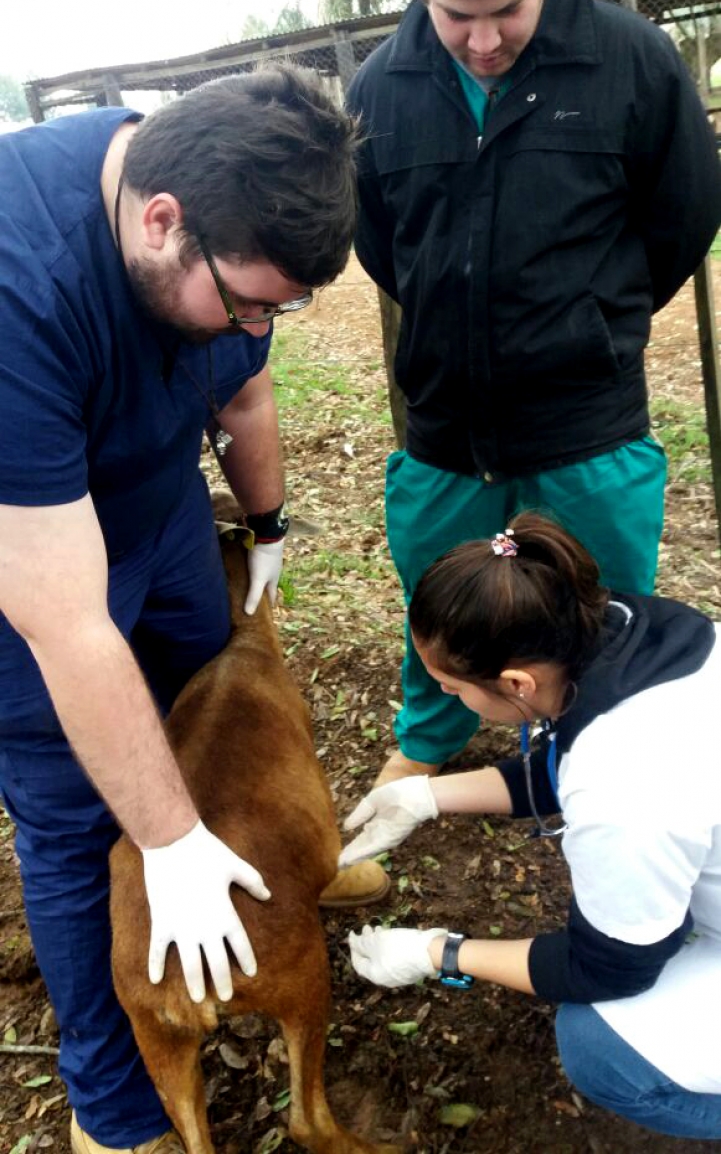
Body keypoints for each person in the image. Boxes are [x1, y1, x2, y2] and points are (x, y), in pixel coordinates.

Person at [0, 65, 387, 1154]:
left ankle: (277, 875)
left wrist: (265, 524)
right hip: (25, 550)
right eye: (253, 300)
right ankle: (114, 1110)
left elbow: (245, 390)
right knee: (80, 816)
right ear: (161, 222)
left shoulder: (223, 232)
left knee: (205, 692)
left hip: (158, 497)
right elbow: (66, 620)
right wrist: (166, 841)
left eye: (284, 305)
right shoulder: (19, 285)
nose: (262, 323)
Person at [345, 0, 721, 787]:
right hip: (442, 422)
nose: (481, 41)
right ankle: (427, 742)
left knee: (600, 607)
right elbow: (383, 246)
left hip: (583, 419)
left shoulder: (630, 60)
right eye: (453, 14)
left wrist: (594, 319)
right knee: (436, 594)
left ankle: (605, 753)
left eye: (505, 11)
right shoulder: (379, 88)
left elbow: (679, 216)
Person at [341, 514, 721, 1139]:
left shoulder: (622, 783)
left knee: (598, 1047)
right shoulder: (623, 628)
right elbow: (565, 758)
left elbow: (610, 969)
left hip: (647, 839)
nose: (449, 697)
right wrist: (427, 797)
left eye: (450, 688)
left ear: (516, 683)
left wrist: (440, 952)